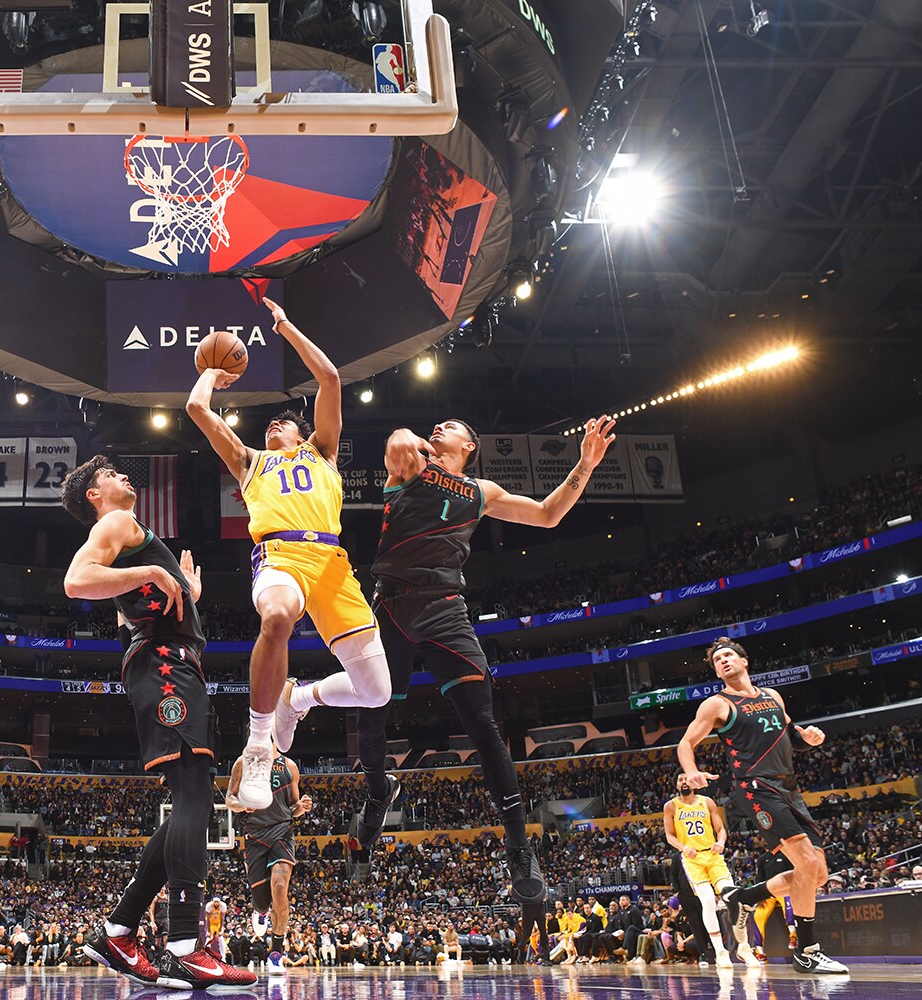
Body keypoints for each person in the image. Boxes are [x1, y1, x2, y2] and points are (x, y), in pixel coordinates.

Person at [358, 416, 618, 915]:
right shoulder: (410, 468)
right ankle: (376, 793)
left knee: (482, 725)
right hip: (391, 607)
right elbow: (394, 445)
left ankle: (520, 849)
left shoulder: (482, 490)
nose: (437, 427)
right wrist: (412, 444)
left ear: (469, 444)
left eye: (449, 426)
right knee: (370, 715)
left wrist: (584, 464)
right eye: (434, 425)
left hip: (445, 609)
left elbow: (547, 515)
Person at [185, 298, 392, 810]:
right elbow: (196, 409)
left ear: (302, 433)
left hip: (333, 565)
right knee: (276, 616)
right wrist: (212, 371)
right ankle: (258, 746)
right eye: (269, 426)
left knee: (377, 691)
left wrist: (286, 328)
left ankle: (298, 698)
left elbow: (330, 381)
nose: (272, 428)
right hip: (279, 556)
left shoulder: (322, 451)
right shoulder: (250, 462)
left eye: (281, 424)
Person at [61, 456, 255, 990]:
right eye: (113, 475)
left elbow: (138, 608)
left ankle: (119, 932)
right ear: (95, 497)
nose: (125, 478)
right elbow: (76, 581)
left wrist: (188, 594)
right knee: (193, 790)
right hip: (165, 666)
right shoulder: (116, 524)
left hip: (171, 660)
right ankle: (185, 946)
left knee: (188, 802)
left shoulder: (126, 532)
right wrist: (152, 571)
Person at [678, 638, 847, 975]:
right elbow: (686, 742)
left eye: (728, 656)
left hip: (789, 787)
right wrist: (691, 771)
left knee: (818, 873)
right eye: (717, 661)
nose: (723, 661)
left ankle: (744, 897)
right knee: (806, 860)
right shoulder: (717, 704)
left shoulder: (772, 696)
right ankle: (808, 951)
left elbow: (789, 736)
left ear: (744, 661)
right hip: (756, 787)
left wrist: (807, 740)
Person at [227, 742, 313, 977]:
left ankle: (275, 953)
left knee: (280, 886)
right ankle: (260, 911)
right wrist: (241, 805)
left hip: (281, 831)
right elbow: (229, 799)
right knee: (262, 903)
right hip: (254, 835)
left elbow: (294, 807)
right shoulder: (242, 762)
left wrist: (301, 807)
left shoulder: (289, 765)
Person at [663, 775, 751, 966]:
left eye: (687, 779)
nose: (683, 782)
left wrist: (721, 842)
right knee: (708, 900)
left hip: (712, 855)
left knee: (731, 896)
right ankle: (720, 951)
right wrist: (683, 847)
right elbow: (669, 835)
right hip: (692, 859)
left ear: (694, 783)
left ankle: (744, 946)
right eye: (679, 780)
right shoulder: (671, 806)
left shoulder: (707, 802)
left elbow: (721, 829)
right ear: (676, 785)